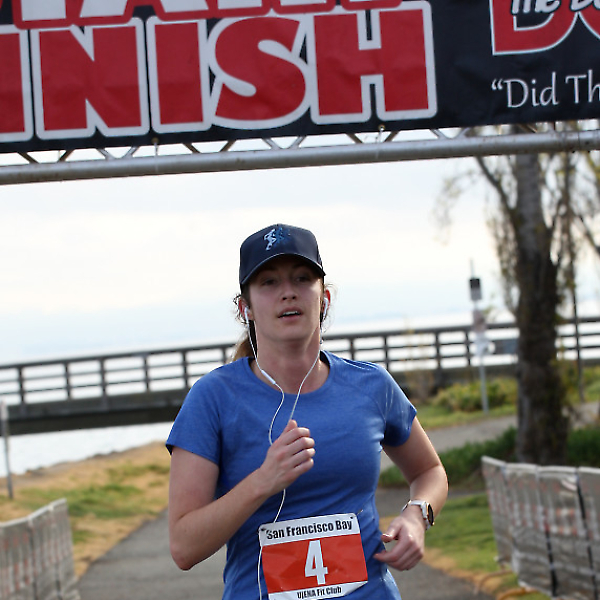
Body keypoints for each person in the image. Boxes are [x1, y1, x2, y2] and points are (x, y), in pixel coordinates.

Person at [166, 223, 448, 600]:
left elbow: (430, 472)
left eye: (302, 278)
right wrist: (262, 481)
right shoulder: (212, 398)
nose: (288, 292)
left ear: (324, 298)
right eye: (269, 282)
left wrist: (417, 514)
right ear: (245, 308)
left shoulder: (371, 386)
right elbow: (184, 547)